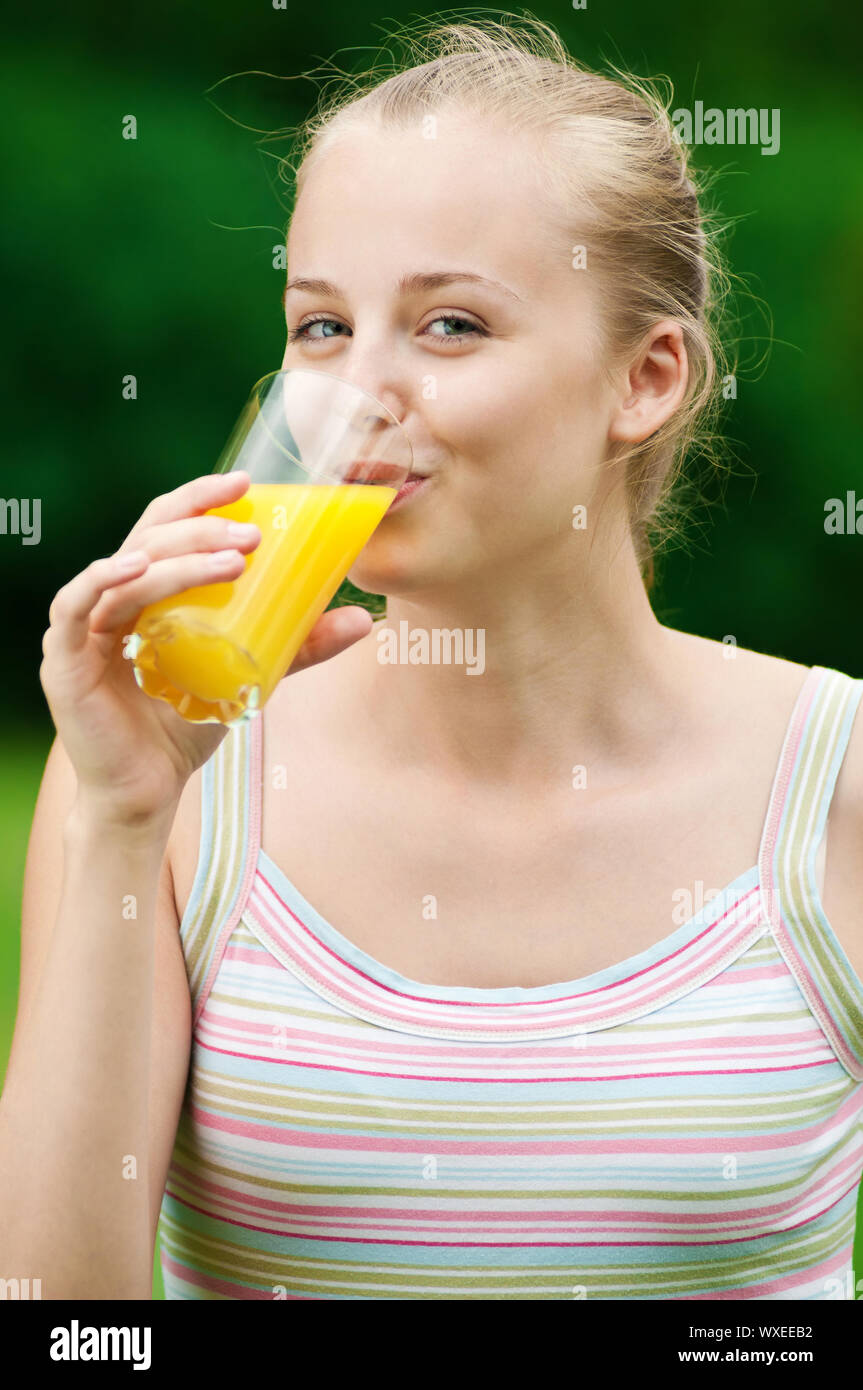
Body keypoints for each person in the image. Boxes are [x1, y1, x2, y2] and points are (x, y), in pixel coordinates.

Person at [2, 17, 862, 1302]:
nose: (358, 396)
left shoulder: (833, 788)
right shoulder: (162, 788)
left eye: (449, 325)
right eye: (320, 328)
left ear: (645, 376)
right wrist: (123, 817)